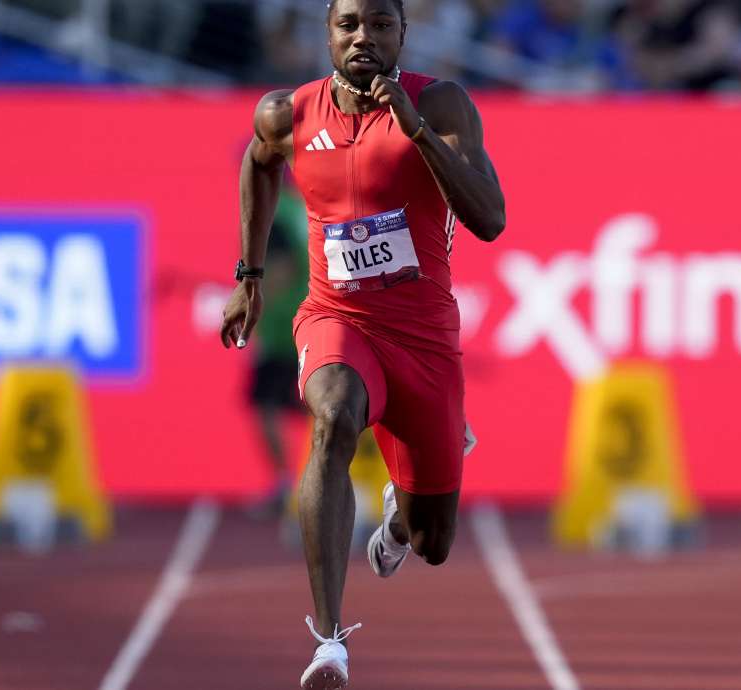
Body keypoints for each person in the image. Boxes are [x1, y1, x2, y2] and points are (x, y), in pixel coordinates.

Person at [219, 0, 506, 687]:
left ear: (403, 33)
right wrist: (249, 277)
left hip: (423, 338)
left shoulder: (439, 104)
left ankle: (398, 527)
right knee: (332, 416)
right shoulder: (287, 114)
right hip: (336, 317)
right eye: (349, 24)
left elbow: (490, 219)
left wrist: (419, 134)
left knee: (433, 540)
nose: (364, 38)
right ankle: (330, 641)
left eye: (380, 25)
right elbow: (259, 164)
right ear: (328, 33)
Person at [244, 189, 309, 521]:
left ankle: (288, 485)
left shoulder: (272, 211)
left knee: (265, 405)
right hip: (305, 321)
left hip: (282, 325)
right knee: (312, 405)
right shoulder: (296, 207)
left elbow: (281, 270)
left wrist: (249, 297)